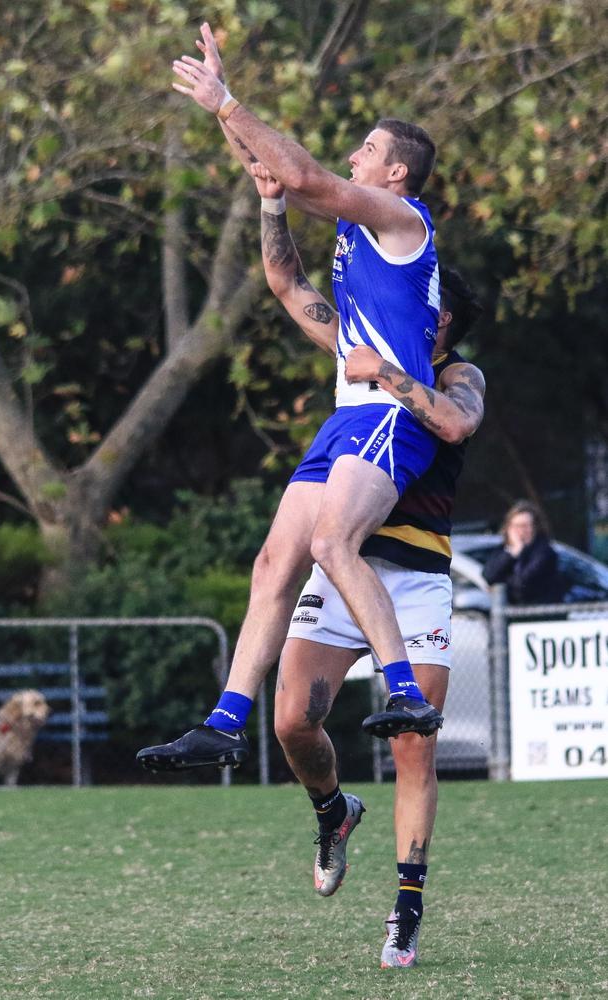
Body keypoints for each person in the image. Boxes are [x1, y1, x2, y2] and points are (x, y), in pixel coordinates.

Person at [137, 22, 445, 773]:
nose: (353, 157)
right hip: (348, 417)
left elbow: (309, 176)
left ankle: (404, 690)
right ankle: (224, 721)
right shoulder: (362, 250)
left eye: (367, 150)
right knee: (276, 558)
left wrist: (226, 102)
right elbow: (286, 281)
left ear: (397, 172)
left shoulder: (403, 222)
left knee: (331, 542)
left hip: (391, 417)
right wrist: (270, 203)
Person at [248, 166, 485, 967]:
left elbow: (452, 425)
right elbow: (289, 286)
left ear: (444, 315)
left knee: (414, 745)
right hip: (342, 570)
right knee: (289, 721)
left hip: (413, 579)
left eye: (438, 301)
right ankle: (330, 811)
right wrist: (272, 198)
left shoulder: (457, 373)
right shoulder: (361, 332)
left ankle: (407, 906)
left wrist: (386, 375)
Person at [482, 500, 559, 603]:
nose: (521, 531)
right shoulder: (505, 550)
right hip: (510, 614)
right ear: (508, 528)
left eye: (526, 526)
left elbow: (523, 584)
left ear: (536, 527)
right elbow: (488, 575)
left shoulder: (544, 552)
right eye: (516, 526)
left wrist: (500, 584)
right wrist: (514, 553)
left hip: (540, 613)